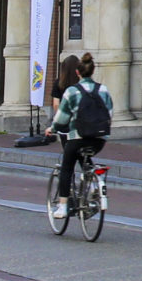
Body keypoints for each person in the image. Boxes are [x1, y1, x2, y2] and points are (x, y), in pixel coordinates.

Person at [52, 52, 112, 216]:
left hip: (77, 137)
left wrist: (52, 128)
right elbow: (109, 114)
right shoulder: (103, 89)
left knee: (67, 166)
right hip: (99, 139)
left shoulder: (72, 91)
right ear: (93, 71)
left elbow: (62, 117)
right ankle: (93, 184)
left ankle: (63, 206)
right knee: (84, 155)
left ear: (78, 73)